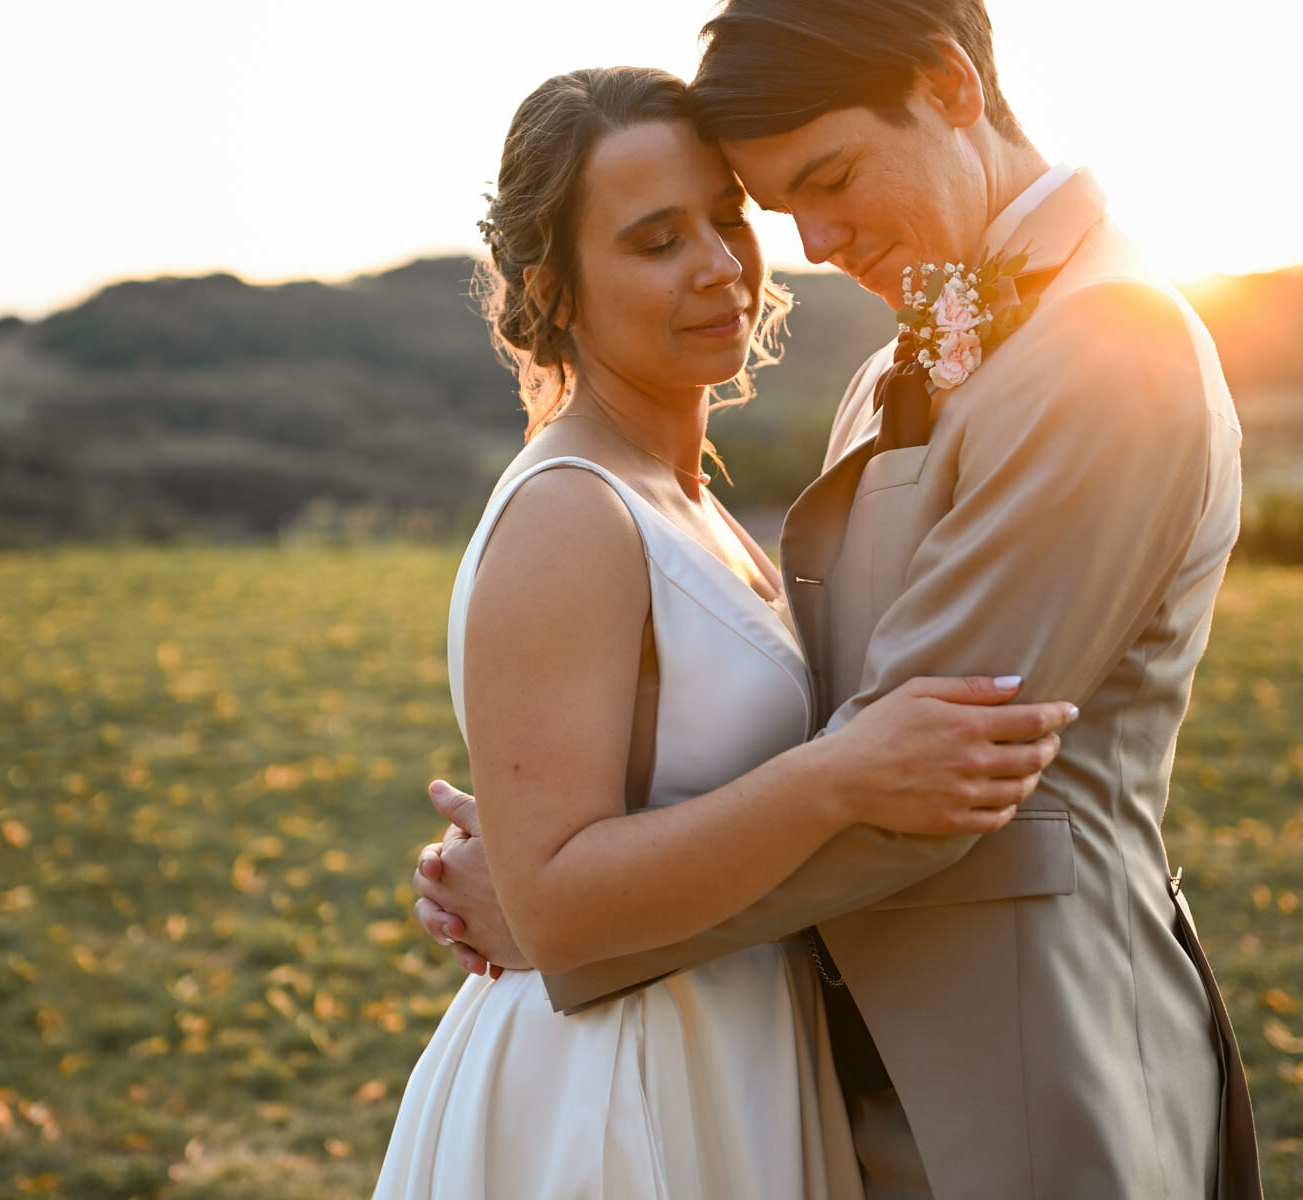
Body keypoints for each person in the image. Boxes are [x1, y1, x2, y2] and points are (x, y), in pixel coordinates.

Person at [413, 3, 1262, 1199]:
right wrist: (562, 876)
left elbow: (931, 775)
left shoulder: (1106, 346)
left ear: (950, 87)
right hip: (788, 1077)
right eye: (770, 207)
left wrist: (567, 921)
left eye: (822, 181)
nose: (800, 244)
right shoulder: (882, 372)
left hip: (1023, 1055)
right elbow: (844, 747)